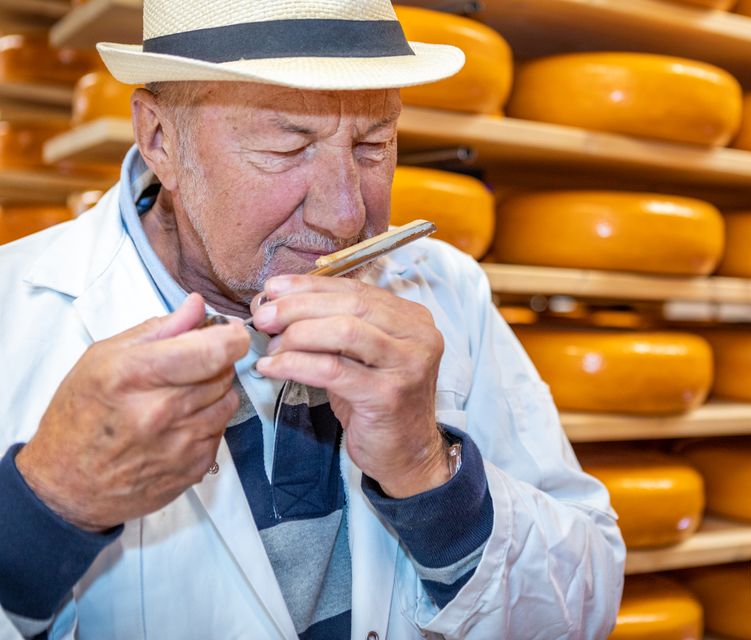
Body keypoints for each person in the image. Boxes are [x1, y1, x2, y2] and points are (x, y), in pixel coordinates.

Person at [0, 1, 626, 638]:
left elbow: (584, 609)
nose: (346, 216)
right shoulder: (14, 313)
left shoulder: (447, 288)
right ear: (160, 137)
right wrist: (47, 506)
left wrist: (428, 471)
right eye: (287, 145)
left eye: (374, 144)